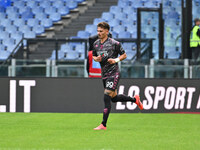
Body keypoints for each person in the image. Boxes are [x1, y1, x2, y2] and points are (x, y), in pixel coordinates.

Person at [92, 22, 143, 130]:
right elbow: (94, 56)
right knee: (114, 98)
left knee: (106, 96)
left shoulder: (114, 43)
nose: (99, 33)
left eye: (101, 31)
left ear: (107, 31)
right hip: (104, 74)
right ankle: (135, 100)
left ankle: (103, 124)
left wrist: (115, 60)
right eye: (98, 31)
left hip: (113, 73)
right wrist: (96, 59)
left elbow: (124, 55)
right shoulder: (96, 43)